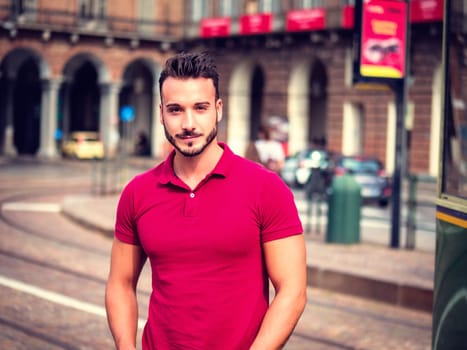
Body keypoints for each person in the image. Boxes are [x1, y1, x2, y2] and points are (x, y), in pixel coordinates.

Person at [105, 52, 307, 350]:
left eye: (200, 108)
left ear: (218, 109)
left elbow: (292, 290)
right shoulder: (138, 193)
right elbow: (120, 283)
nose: (189, 123)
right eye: (176, 110)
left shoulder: (266, 188)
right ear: (161, 113)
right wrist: (126, 346)